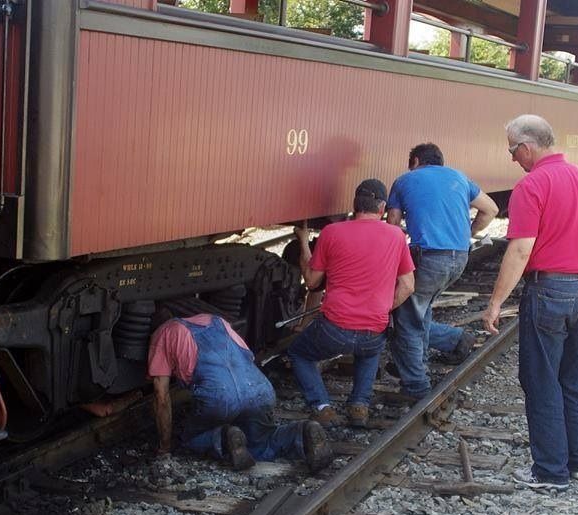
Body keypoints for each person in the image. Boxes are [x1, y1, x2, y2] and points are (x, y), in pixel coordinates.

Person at [481, 114, 578, 491]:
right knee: (574, 380)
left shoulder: (532, 185)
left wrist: (494, 304)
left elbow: (521, 249)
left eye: (511, 150)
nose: (511, 159)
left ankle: (551, 471)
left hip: (550, 289)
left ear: (526, 146)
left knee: (541, 379)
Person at [289, 179, 415, 427]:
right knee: (370, 352)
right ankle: (359, 405)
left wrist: (304, 241)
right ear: (382, 208)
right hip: (373, 329)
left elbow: (313, 281)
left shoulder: (332, 232)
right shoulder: (396, 236)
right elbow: (408, 286)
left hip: (334, 328)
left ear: (355, 205)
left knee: (298, 353)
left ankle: (322, 406)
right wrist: (384, 308)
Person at [148, 313, 333, 472]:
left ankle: (224, 438)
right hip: (258, 387)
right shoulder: (216, 320)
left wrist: (164, 447)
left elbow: (161, 397)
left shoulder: (162, 333)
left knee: (191, 439)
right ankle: (302, 432)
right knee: (262, 442)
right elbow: (248, 356)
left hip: (219, 396)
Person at [386, 143, 499, 398]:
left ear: (415, 160)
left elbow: (392, 225)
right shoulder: (459, 177)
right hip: (458, 258)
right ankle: (426, 357)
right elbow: (491, 209)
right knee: (421, 312)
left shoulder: (405, 180)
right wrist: (466, 234)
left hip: (429, 258)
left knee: (407, 320)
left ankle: (416, 385)